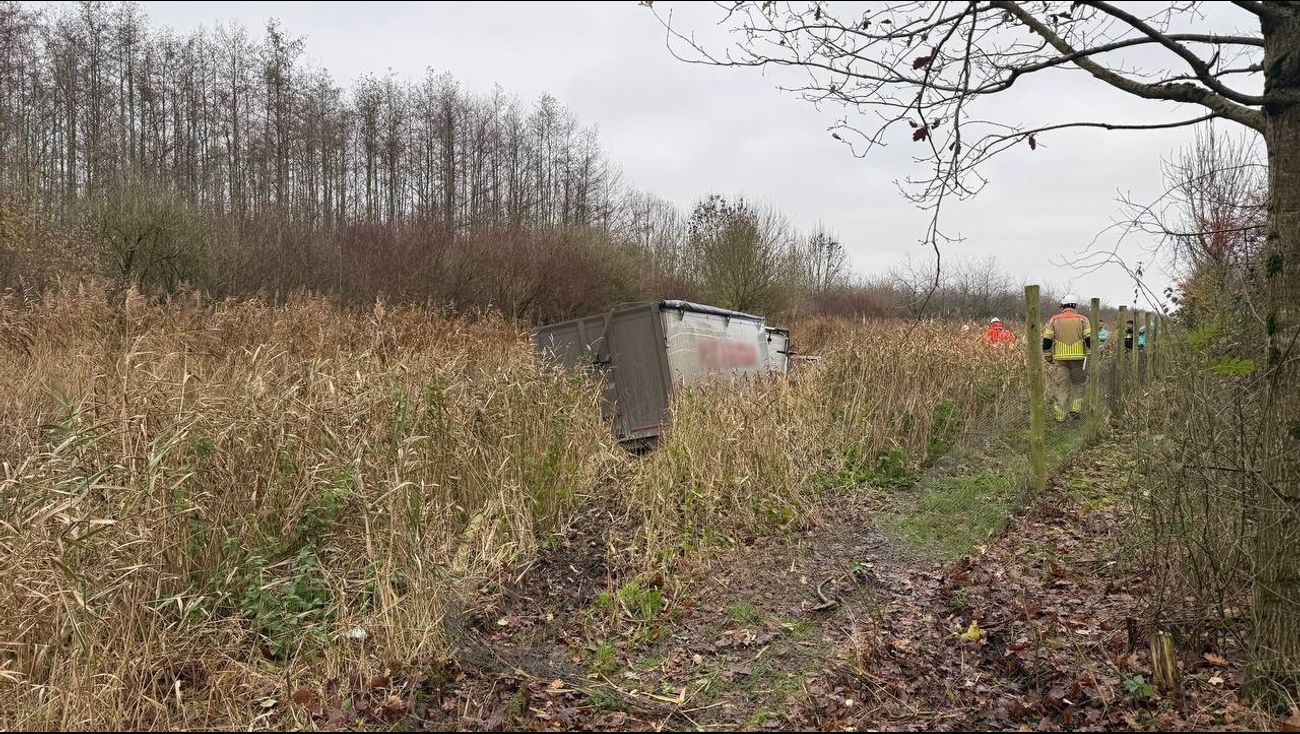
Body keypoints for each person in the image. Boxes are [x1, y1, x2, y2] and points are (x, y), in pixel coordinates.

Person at [1043, 294, 1092, 422]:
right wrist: (1090, 352)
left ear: (1062, 306)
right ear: (1075, 305)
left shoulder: (1054, 320)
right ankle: (1075, 411)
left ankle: (1060, 416)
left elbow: (1047, 340)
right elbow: (1088, 339)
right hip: (1079, 359)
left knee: (1062, 387)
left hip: (1060, 359)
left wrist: (1048, 355)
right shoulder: (1083, 319)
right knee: (1078, 384)